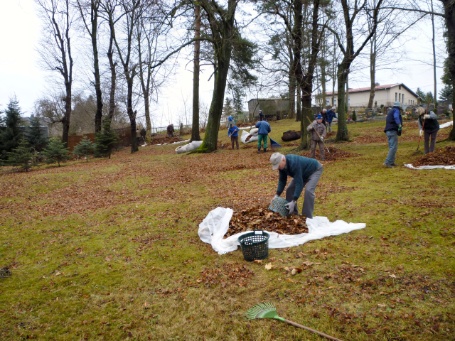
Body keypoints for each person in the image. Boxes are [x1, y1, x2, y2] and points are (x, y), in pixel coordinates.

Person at [269, 152, 323, 219]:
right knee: (290, 189)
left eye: (278, 165)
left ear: (283, 160)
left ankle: (306, 217)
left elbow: (299, 184)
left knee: (308, 191)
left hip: (314, 170)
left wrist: (294, 200)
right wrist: (277, 195)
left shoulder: (293, 163)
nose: (278, 168)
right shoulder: (282, 167)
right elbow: (282, 180)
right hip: (302, 173)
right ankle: (293, 214)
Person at [383, 101, 403, 168]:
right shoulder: (396, 110)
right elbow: (396, 117)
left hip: (388, 131)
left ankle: (391, 162)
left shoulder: (391, 111)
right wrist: (399, 125)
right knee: (393, 147)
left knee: (391, 147)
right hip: (392, 130)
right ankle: (387, 162)